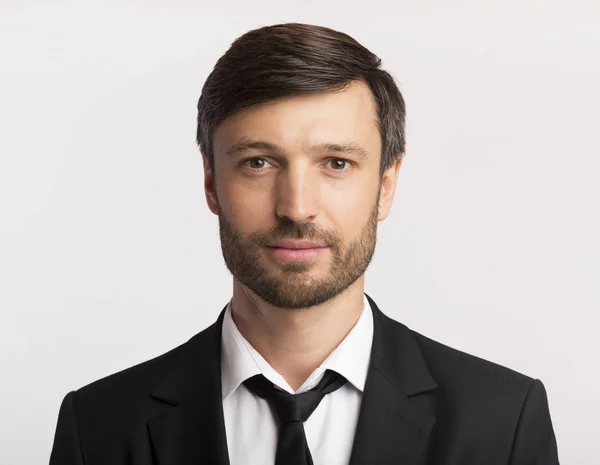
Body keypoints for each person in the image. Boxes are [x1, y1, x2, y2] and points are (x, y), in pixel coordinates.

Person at [49, 22, 560, 465]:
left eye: (337, 163)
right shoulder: (98, 428)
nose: (296, 207)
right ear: (211, 183)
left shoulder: (502, 422)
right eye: (258, 162)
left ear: (385, 186)